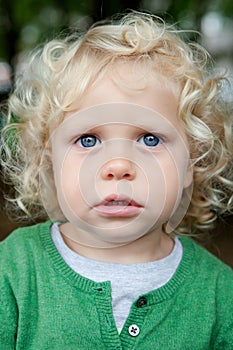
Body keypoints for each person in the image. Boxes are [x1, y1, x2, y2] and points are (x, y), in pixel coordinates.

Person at [1, 11, 233, 349]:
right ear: (51, 161)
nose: (119, 165)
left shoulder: (220, 295)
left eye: (149, 139)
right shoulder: (13, 271)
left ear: (190, 164)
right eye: (88, 140)